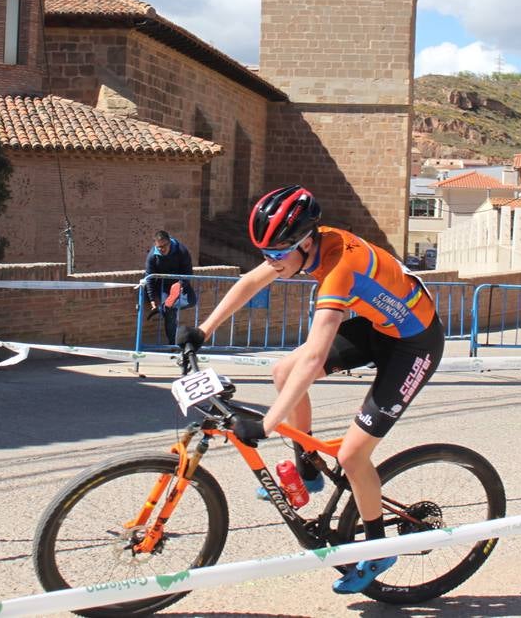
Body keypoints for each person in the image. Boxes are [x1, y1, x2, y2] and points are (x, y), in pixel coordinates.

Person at [176, 185, 442, 595]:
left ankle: (378, 548)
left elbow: (316, 356)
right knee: (284, 373)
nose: (272, 263)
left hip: (415, 344)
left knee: (354, 454)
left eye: (278, 256)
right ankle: (309, 470)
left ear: (303, 242)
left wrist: (266, 424)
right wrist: (202, 330)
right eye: (266, 253)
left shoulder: (339, 270)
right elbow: (250, 282)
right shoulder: (303, 249)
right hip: (379, 328)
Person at [143, 230, 194, 346]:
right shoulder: (152, 256)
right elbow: (149, 278)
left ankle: (164, 308)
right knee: (170, 312)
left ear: (169, 241)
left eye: (164, 245)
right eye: (159, 247)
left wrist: (181, 284)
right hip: (164, 287)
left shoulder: (181, 250)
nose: (162, 249)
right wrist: (152, 299)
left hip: (180, 285)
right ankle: (174, 344)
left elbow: (188, 272)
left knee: (192, 301)